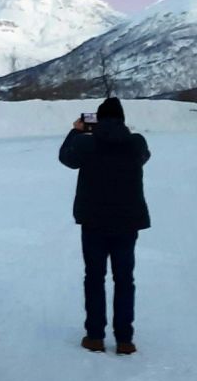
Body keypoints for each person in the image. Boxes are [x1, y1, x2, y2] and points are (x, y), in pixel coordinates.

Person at [59, 96, 151, 355]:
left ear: (97, 119)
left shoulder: (87, 143)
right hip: (127, 221)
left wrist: (75, 131)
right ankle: (125, 339)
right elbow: (143, 157)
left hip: (94, 220)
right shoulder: (136, 142)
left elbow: (66, 158)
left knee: (94, 277)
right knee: (124, 279)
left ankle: (95, 336)